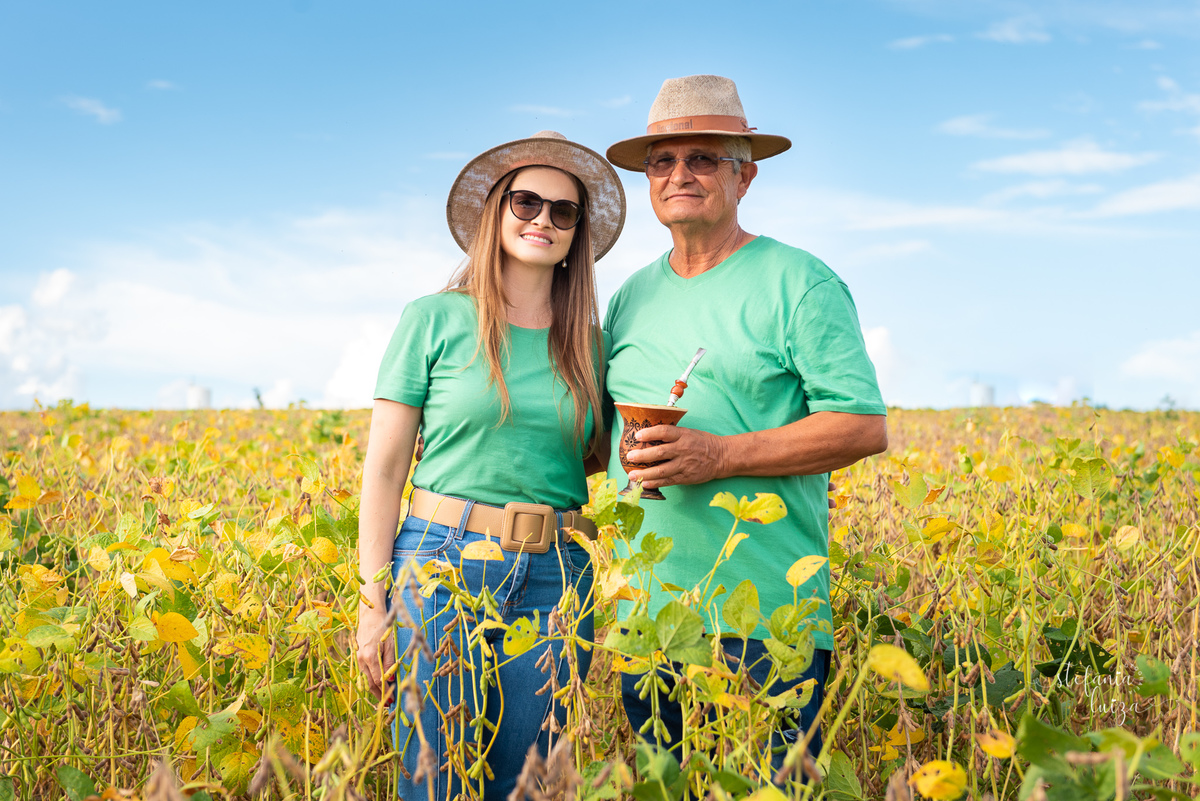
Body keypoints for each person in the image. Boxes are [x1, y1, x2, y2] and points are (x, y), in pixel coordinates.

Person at [602, 75, 889, 780]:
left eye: (703, 158)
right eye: (662, 162)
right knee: (664, 790)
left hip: (765, 622)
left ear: (745, 175)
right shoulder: (630, 296)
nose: (679, 175)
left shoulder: (801, 282)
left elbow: (861, 425)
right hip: (646, 612)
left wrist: (719, 455)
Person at [355, 130, 626, 800]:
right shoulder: (433, 319)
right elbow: (384, 472)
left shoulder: (593, 345)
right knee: (433, 780)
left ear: (577, 232)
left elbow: (600, 456)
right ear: (496, 211)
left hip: (557, 575)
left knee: (528, 787)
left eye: (563, 211)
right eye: (526, 202)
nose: (543, 220)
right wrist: (371, 605)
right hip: (439, 565)